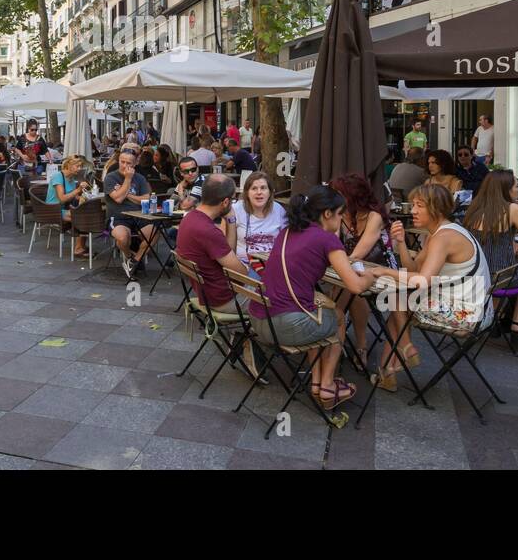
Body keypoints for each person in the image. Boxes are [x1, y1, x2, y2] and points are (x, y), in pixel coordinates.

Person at [250, 185, 373, 411]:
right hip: (285, 327)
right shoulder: (327, 240)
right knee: (335, 316)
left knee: (316, 308)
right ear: (327, 214)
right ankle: (326, 386)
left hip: (260, 321)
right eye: (340, 213)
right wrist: (370, 277)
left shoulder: (287, 232)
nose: (342, 218)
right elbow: (355, 286)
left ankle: (316, 382)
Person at [366, 183, 493, 390]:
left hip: (468, 314)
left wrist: (384, 271)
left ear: (436, 208)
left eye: (419, 205)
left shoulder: (443, 238)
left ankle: (406, 349)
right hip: (478, 309)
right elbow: (413, 268)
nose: (412, 210)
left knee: (394, 296)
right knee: (397, 306)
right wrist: (402, 243)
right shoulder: (442, 232)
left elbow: (421, 280)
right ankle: (390, 370)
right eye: (413, 204)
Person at [174, 173, 264, 379]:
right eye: (232, 200)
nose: (232, 203)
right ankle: (253, 338)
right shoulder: (208, 231)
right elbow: (239, 274)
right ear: (225, 201)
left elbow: (226, 252)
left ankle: (242, 335)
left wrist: (231, 221)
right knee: (280, 295)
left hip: (208, 292)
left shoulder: (191, 219)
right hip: (224, 299)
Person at [329, 172, 406, 371]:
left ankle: (359, 346)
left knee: (350, 292)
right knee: (343, 294)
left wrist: (339, 263)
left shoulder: (375, 216)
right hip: (351, 267)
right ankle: (339, 346)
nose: (334, 198)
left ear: (353, 196)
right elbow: (332, 242)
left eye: (338, 194)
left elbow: (360, 251)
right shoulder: (340, 213)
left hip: (382, 269)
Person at [463, 170, 518, 348]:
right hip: (500, 279)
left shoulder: (474, 207)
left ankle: (495, 318)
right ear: (505, 189)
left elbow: (489, 236)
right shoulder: (512, 209)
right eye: (516, 186)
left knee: (515, 261)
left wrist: (511, 240)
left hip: (476, 276)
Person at [104, 148, 156, 280]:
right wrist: (128, 179)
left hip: (139, 215)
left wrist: (126, 193)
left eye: (129, 163)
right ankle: (128, 256)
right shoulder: (111, 177)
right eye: (122, 162)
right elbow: (118, 199)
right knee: (122, 237)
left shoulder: (140, 178)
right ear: (118, 161)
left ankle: (135, 261)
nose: (125, 165)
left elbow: (146, 199)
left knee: (155, 232)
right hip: (118, 217)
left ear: (135, 164)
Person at [227, 170, 286, 260]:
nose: (259, 192)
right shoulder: (236, 210)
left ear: (270, 192)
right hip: (244, 264)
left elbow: (287, 242)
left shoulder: (279, 210)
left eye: (263, 188)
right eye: (254, 188)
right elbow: (226, 245)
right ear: (247, 193)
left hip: (271, 263)